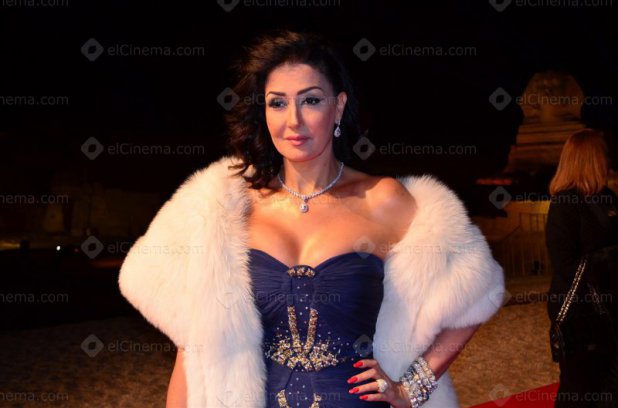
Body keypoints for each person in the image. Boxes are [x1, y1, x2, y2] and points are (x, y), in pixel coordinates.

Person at [118, 29, 504, 408]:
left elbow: (475, 291)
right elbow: (194, 351)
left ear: (338, 107)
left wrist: (411, 388)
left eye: (311, 100)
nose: (293, 121)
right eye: (277, 103)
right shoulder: (226, 209)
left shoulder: (383, 200)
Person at [546, 128, 618, 407]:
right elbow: (565, 263)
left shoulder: (607, 197)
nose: (609, 160)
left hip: (610, 310)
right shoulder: (565, 204)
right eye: (604, 154)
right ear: (590, 159)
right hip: (579, 313)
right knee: (579, 389)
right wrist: (609, 257)